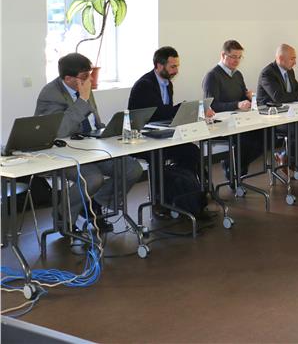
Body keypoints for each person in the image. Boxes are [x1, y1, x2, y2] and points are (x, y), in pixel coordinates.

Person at [35, 53, 143, 234]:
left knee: (132, 169)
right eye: (85, 76)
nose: (91, 79)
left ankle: (94, 205)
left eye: (90, 74)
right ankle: (63, 215)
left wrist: (106, 132)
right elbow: (59, 131)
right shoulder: (50, 94)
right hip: (65, 153)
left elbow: (93, 121)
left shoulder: (83, 86)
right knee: (93, 179)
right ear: (68, 79)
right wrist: (83, 100)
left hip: (92, 146)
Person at [129, 47, 209, 217]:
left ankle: (182, 193)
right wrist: (182, 108)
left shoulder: (167, 83)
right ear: (159, 65)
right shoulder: (145, 85)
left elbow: (166, 115)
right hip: (142, 139)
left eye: (177, 66)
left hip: (161, 134)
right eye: (172, 66)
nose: (176, 71)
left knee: (191, 151)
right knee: (158, 156)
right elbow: (158, 113)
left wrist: (184, 112)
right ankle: (159, 201)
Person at [202, 40, 262, 178]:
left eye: (239, 57)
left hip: (239, 120)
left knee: (264, 136)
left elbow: (242, 97)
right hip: (222, 123)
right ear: (223, 55)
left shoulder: (237, 74)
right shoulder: (212, 76)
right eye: (233, 56)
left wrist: (249, 98)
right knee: (247, 141)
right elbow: (212, 106)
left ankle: (236, 168)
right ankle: (234, 171)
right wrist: (237, 104)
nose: (237, 60)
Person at [258, 44, 298, 160]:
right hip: (272, 116)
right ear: (281, 58)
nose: (295, 62)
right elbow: (279, 98)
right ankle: (288, 159)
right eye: (292, 59)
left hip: (288, 113)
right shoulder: (268, 73)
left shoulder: (289, 71)